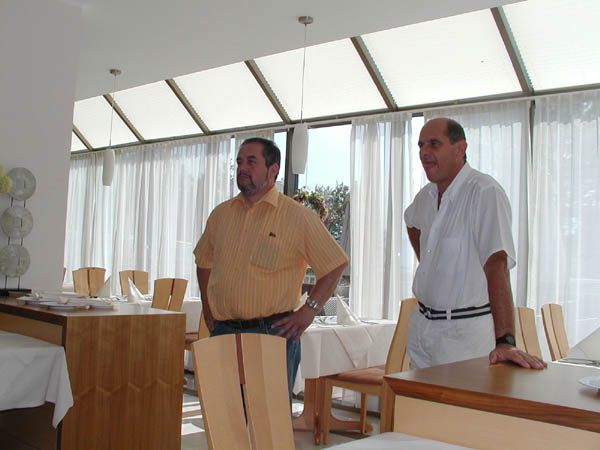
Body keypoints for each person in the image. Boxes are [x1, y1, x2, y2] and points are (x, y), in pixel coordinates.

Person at [193, 137, 348, 401]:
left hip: (272, 333)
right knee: (224, 414)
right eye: (240, 162)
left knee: (269, 419)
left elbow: (335, 264)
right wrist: (208, 308)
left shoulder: (298, 217)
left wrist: (308, 311)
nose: (243, 168)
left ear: (273, 169)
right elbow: (203, 260)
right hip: (223, 332)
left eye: (251, 162)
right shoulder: (221, 215)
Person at [404, 118, 546, 370]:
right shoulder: (426, 196)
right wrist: (429, 261)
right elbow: (411, 222)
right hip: (422, 328)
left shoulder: (484, 192)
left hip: (464, 335)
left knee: (459, 398)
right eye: (421, 145)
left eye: (434, 144)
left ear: (460, 148)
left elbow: (497, 264)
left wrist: (505, 342)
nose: (424, 152)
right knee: (417, 397)